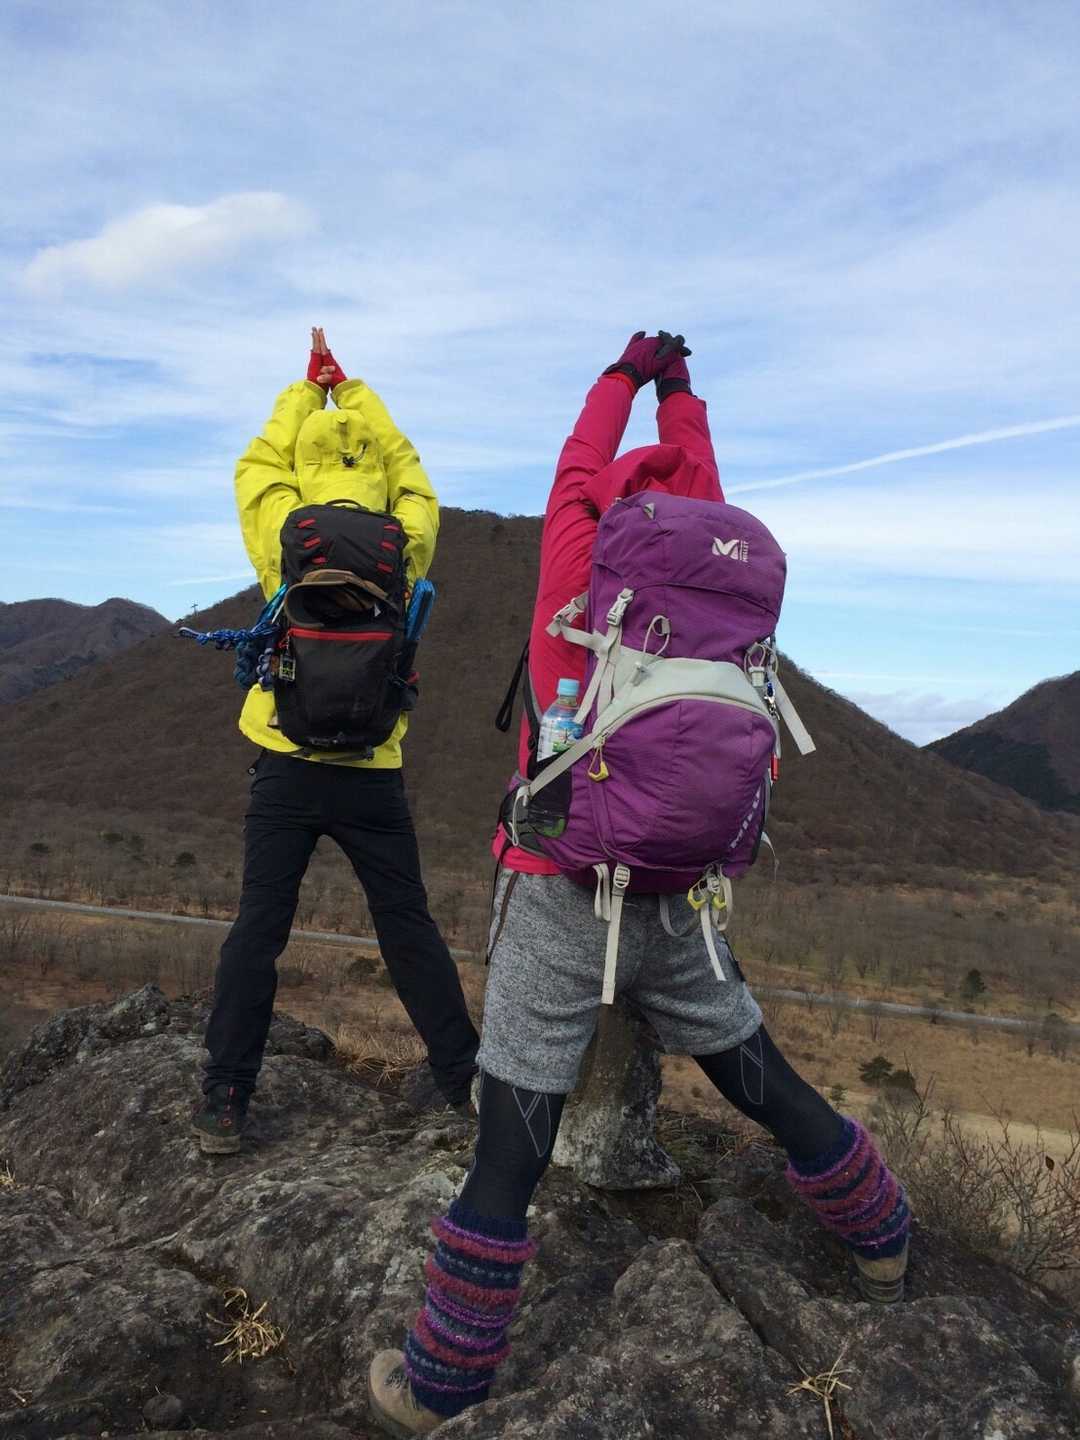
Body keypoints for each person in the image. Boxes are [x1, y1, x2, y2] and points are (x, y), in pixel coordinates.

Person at [366, 332, 911, 1435]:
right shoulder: (714, 563)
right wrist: (680, 393)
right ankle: (883, 1236)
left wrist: (620, 377)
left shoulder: (580, 552)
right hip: (686, 895)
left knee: (511, 1143)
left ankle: (439, 1387)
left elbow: (577, 467)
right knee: (759, 1076)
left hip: (560, 885)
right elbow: (696, 471)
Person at [192, 330, 479, 1154]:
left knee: (259, 926)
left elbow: (257, 464)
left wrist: (305, 391)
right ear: (378, 476)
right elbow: (412, 471)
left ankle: (226, 1098)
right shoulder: (406, 540)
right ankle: (466, 1081)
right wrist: (354, 393)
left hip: (285, 759)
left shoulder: (284, 532)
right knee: (406, 924)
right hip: (372, 767)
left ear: (305, 470)